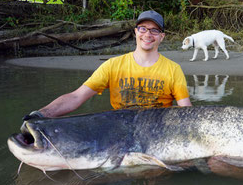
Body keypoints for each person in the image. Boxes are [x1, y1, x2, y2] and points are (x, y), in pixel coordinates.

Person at [24, 10, 192, 120]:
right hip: (119, 131)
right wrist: (41, 114)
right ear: (135, 32)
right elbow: (77, 97)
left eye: (154, 30)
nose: (148, 34)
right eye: (143, 29)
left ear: (162, 37)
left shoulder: (173, 69)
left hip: (157, 132)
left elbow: (185, 112)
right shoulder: (113, 65)